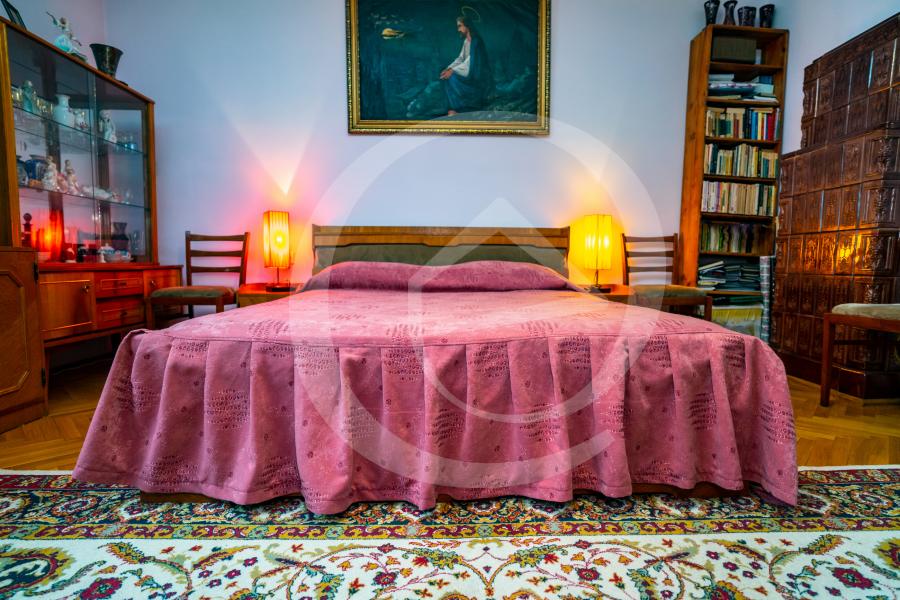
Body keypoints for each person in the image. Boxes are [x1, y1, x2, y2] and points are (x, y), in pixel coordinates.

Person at [440, 14, 493, 115]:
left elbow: (471, 61)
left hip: (477, 75)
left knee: (452, 77)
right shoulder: (466, 41)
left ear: (467, 25)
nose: (458, 29)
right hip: (468, 71)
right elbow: (461, 58)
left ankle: (465, 107)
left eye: (460, 26)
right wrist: (448, 68)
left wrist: (453, 71)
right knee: (446, 77)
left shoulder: (476, 41)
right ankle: (454, 107)